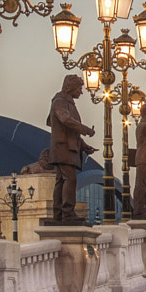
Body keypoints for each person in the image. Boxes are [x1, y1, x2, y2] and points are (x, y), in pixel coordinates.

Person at [43, 75, 95, 224]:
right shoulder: (60, 102)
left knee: (61, 181)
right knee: (70, 179)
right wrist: (85, 129)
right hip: (63, 148)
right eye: (79, 88)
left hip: (67, 147)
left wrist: (84, 147)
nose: (81, 92)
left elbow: (71, 131)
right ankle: (67, 213)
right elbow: (66, 120)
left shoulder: (66, 103)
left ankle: (59, 214)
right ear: (70, 87)